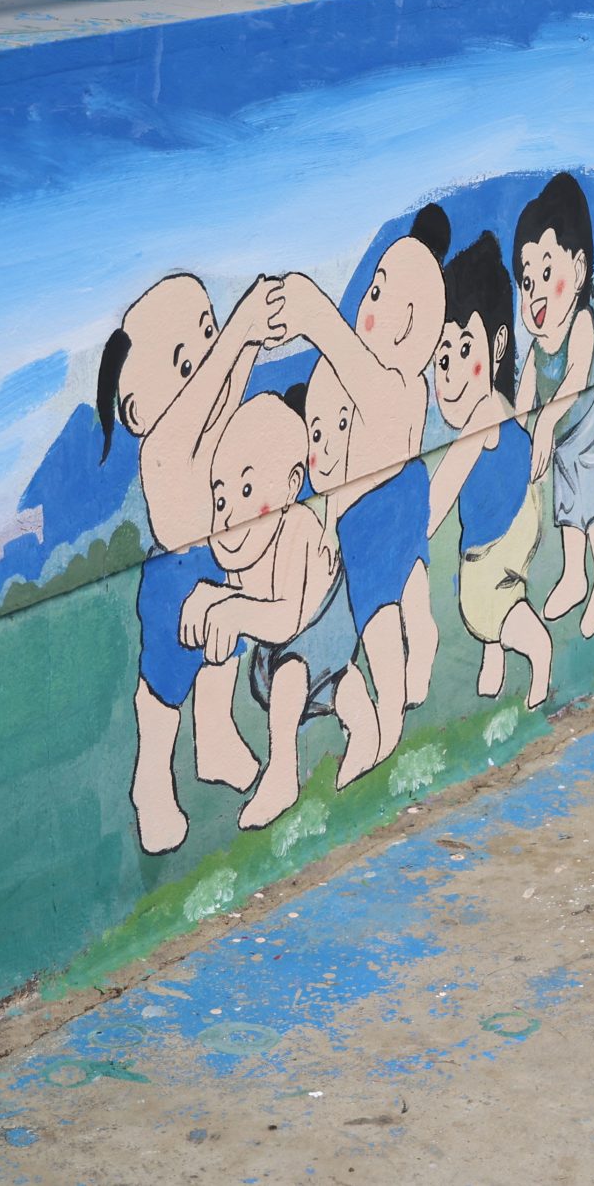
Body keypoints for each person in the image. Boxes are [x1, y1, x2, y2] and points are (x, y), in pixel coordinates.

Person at [94, 273, 279, 855]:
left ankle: (215, 739)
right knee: (165, 685)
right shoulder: (160, 444)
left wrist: (249, 342)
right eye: (182, 361)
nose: (204, 358)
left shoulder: (199, 418)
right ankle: (151, 782)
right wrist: (238, 331)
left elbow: (221, 397)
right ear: (136, 410)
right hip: (173, 581)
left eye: (207, 333)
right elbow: (200, 401)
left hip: (220, 560)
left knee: (222, 655)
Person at [278, 205, 454, 784]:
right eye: (371, 290)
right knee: (412, 591)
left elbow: (360, 377)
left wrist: (313, 313)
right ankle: (418, 651)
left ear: (411, 323)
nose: (368, 304)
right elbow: (341, 464)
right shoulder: (402, 384)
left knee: (381, 621)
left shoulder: (395, 382)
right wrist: (330, 520)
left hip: (374, 514)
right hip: (393, 496)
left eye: (380, 294)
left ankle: (389, 717)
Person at [178, 393, 340, 831]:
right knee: (337, 695)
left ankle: (283, 772)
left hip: (324, 623)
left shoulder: (298, 527)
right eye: (221, 500)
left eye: (247, 490)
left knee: (292, 673)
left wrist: (231, 610)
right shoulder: (246, 546)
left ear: (291, 485)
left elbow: (288, 618)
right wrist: (209, 598)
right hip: (280, 644)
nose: (231, 514)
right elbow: (243, 598)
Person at [429, 233, 555, 710]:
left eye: (465, 351)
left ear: (497, 345)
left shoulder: (482, 414)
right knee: (500, 593)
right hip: (518, 513)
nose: (451, 373)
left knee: (484, 608)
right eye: (442, 359)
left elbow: (444, 487)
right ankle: (494, 655)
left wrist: (414, 533)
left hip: (498, 537)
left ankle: (538, 651)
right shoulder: (498, 404)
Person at [513, 174, 594, 639]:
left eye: (547, 274)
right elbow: (522, 400)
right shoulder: (537, 345)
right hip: (565, 429)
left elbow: (578, 378)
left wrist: (543, 424)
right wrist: (520, 433)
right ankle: (574, 575)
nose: (535, 292)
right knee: (567, 496)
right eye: (526, 281)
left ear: (578, 271)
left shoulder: (579, 325)